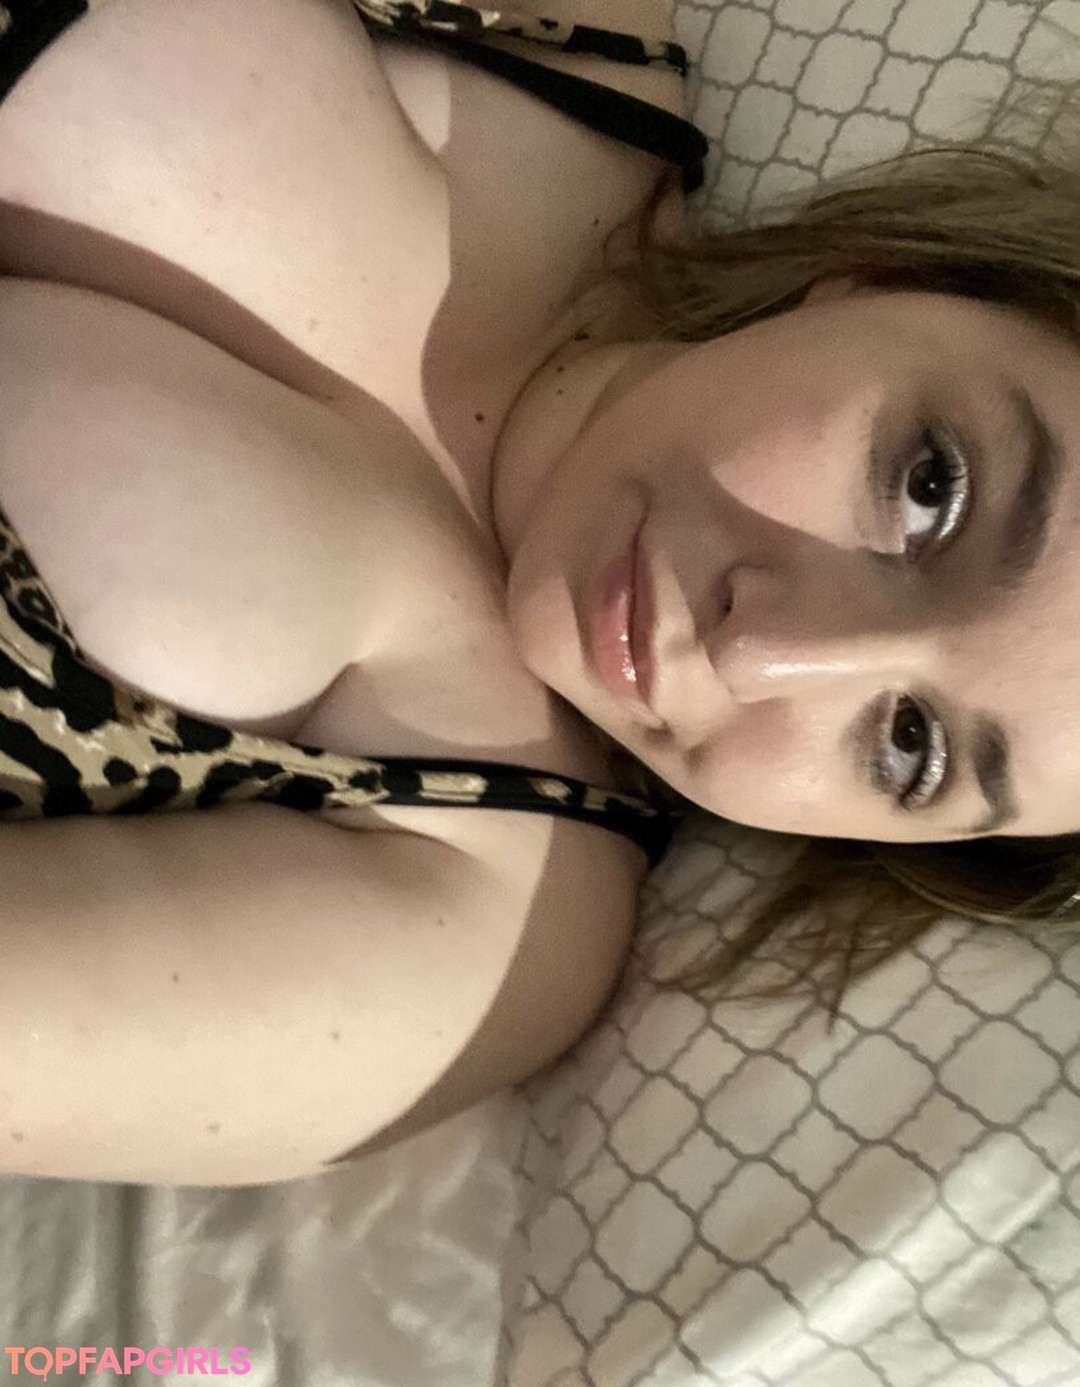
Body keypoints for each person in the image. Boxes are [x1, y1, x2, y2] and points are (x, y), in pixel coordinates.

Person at [0, 0, 1077, 1186]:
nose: (764, 653)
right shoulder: (571, 41)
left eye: (913, 748)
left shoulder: (485, 921)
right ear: (901, 283)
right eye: (931, 490)